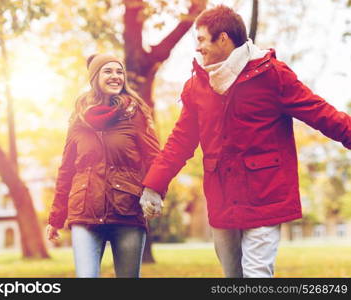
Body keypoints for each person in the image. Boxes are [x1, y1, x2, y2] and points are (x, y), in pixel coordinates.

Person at [139, 5, 351, 278]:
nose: (197, 48)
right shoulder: (197, 87)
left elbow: (319, 112)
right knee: (233, 276)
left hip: (264, 193)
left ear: (223, 38)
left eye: (202, 39)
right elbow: (180, 141)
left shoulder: (272, 75)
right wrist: (154, 185)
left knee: (257, 273)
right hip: (222, 197)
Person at [47, 53, 160, 278]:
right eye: (108, 71)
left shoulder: (135, 113)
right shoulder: (78, 119)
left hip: (127, 211)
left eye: (120, 72)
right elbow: (67, 169)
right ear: (95, 77)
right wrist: (56, 217)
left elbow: (156, 159)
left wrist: (154, 191)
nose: (115, 76)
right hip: (85, 212)